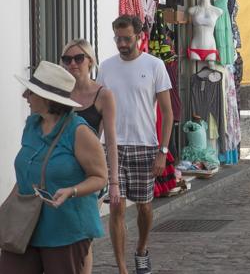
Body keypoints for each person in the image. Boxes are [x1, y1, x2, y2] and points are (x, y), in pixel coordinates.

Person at [0, 61, 107, 273]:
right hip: (24, 225)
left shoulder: (79, 132)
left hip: (65, 230)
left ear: (47, 99)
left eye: (30, 92)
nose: (24, 96)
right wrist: (7, 210)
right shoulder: (32, 125)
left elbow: (100, 176)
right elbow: (27, 172)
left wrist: (72, 190)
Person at [97, 15, 173, 274]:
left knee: (145, 207)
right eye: (118, 38)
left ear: (139, 36)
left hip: (144, 145)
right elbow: (98, 111)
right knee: (116, 207)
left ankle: (141, 248)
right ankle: (122, 268)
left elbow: (168, 112)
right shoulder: (105, 67)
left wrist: (162, 151)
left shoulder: (155, 66)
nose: (121, 44)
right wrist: (96, 145)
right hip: (113, 146)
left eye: (127, 38)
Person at [60, 39, 121, 274]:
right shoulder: (59, 93)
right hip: (61, 171)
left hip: (90, 174)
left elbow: (112, 141)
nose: (72, 64)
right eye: (67, 59)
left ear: (90, 61)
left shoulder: (103, 95)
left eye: (78, 58)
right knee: (63, 233)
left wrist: (113, 182)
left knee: (84, 235)